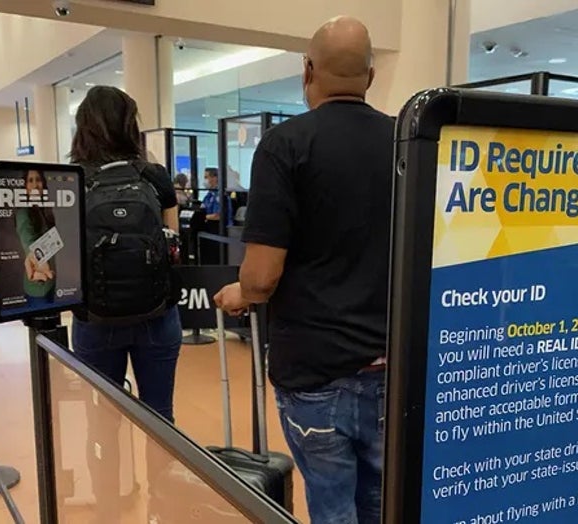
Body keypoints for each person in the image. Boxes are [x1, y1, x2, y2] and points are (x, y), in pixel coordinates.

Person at [215, 16, 393, 524]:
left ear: (307, 71)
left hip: (315, 373)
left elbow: (262, 277)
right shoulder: (407, 142)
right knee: (384, 505)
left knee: (332, 508)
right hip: (392, 368)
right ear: (371, 77)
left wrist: (240, 293)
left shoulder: (285, 145)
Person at [69, 85, 183, 524]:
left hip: (95, 321)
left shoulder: (73, 178)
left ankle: (109, 509)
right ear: (130, 124)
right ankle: (164, 507)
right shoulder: (154, 175)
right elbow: (174, 246)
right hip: (158, 315)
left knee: (102, 421)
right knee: (161, 418)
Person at [16, 170, 56, 308]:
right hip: (38, 285)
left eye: (38, 180)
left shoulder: (46, 209)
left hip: (52, 281)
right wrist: (34, 255)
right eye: (30, 180)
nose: (35, 185)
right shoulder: (23, 212)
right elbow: (27, 238)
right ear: (25, 186)